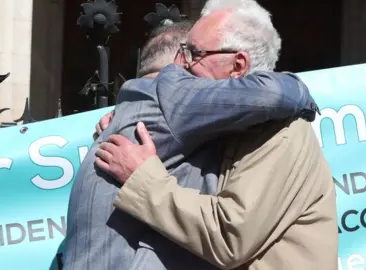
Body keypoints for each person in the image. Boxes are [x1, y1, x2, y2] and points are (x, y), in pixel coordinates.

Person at [94, 0, 338, 269]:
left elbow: (229, 235)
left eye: (193, 53)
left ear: (238, 65)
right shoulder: (221, 127)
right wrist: (131, 123)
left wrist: (142, 180)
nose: (180, 66)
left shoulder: (282, 132)